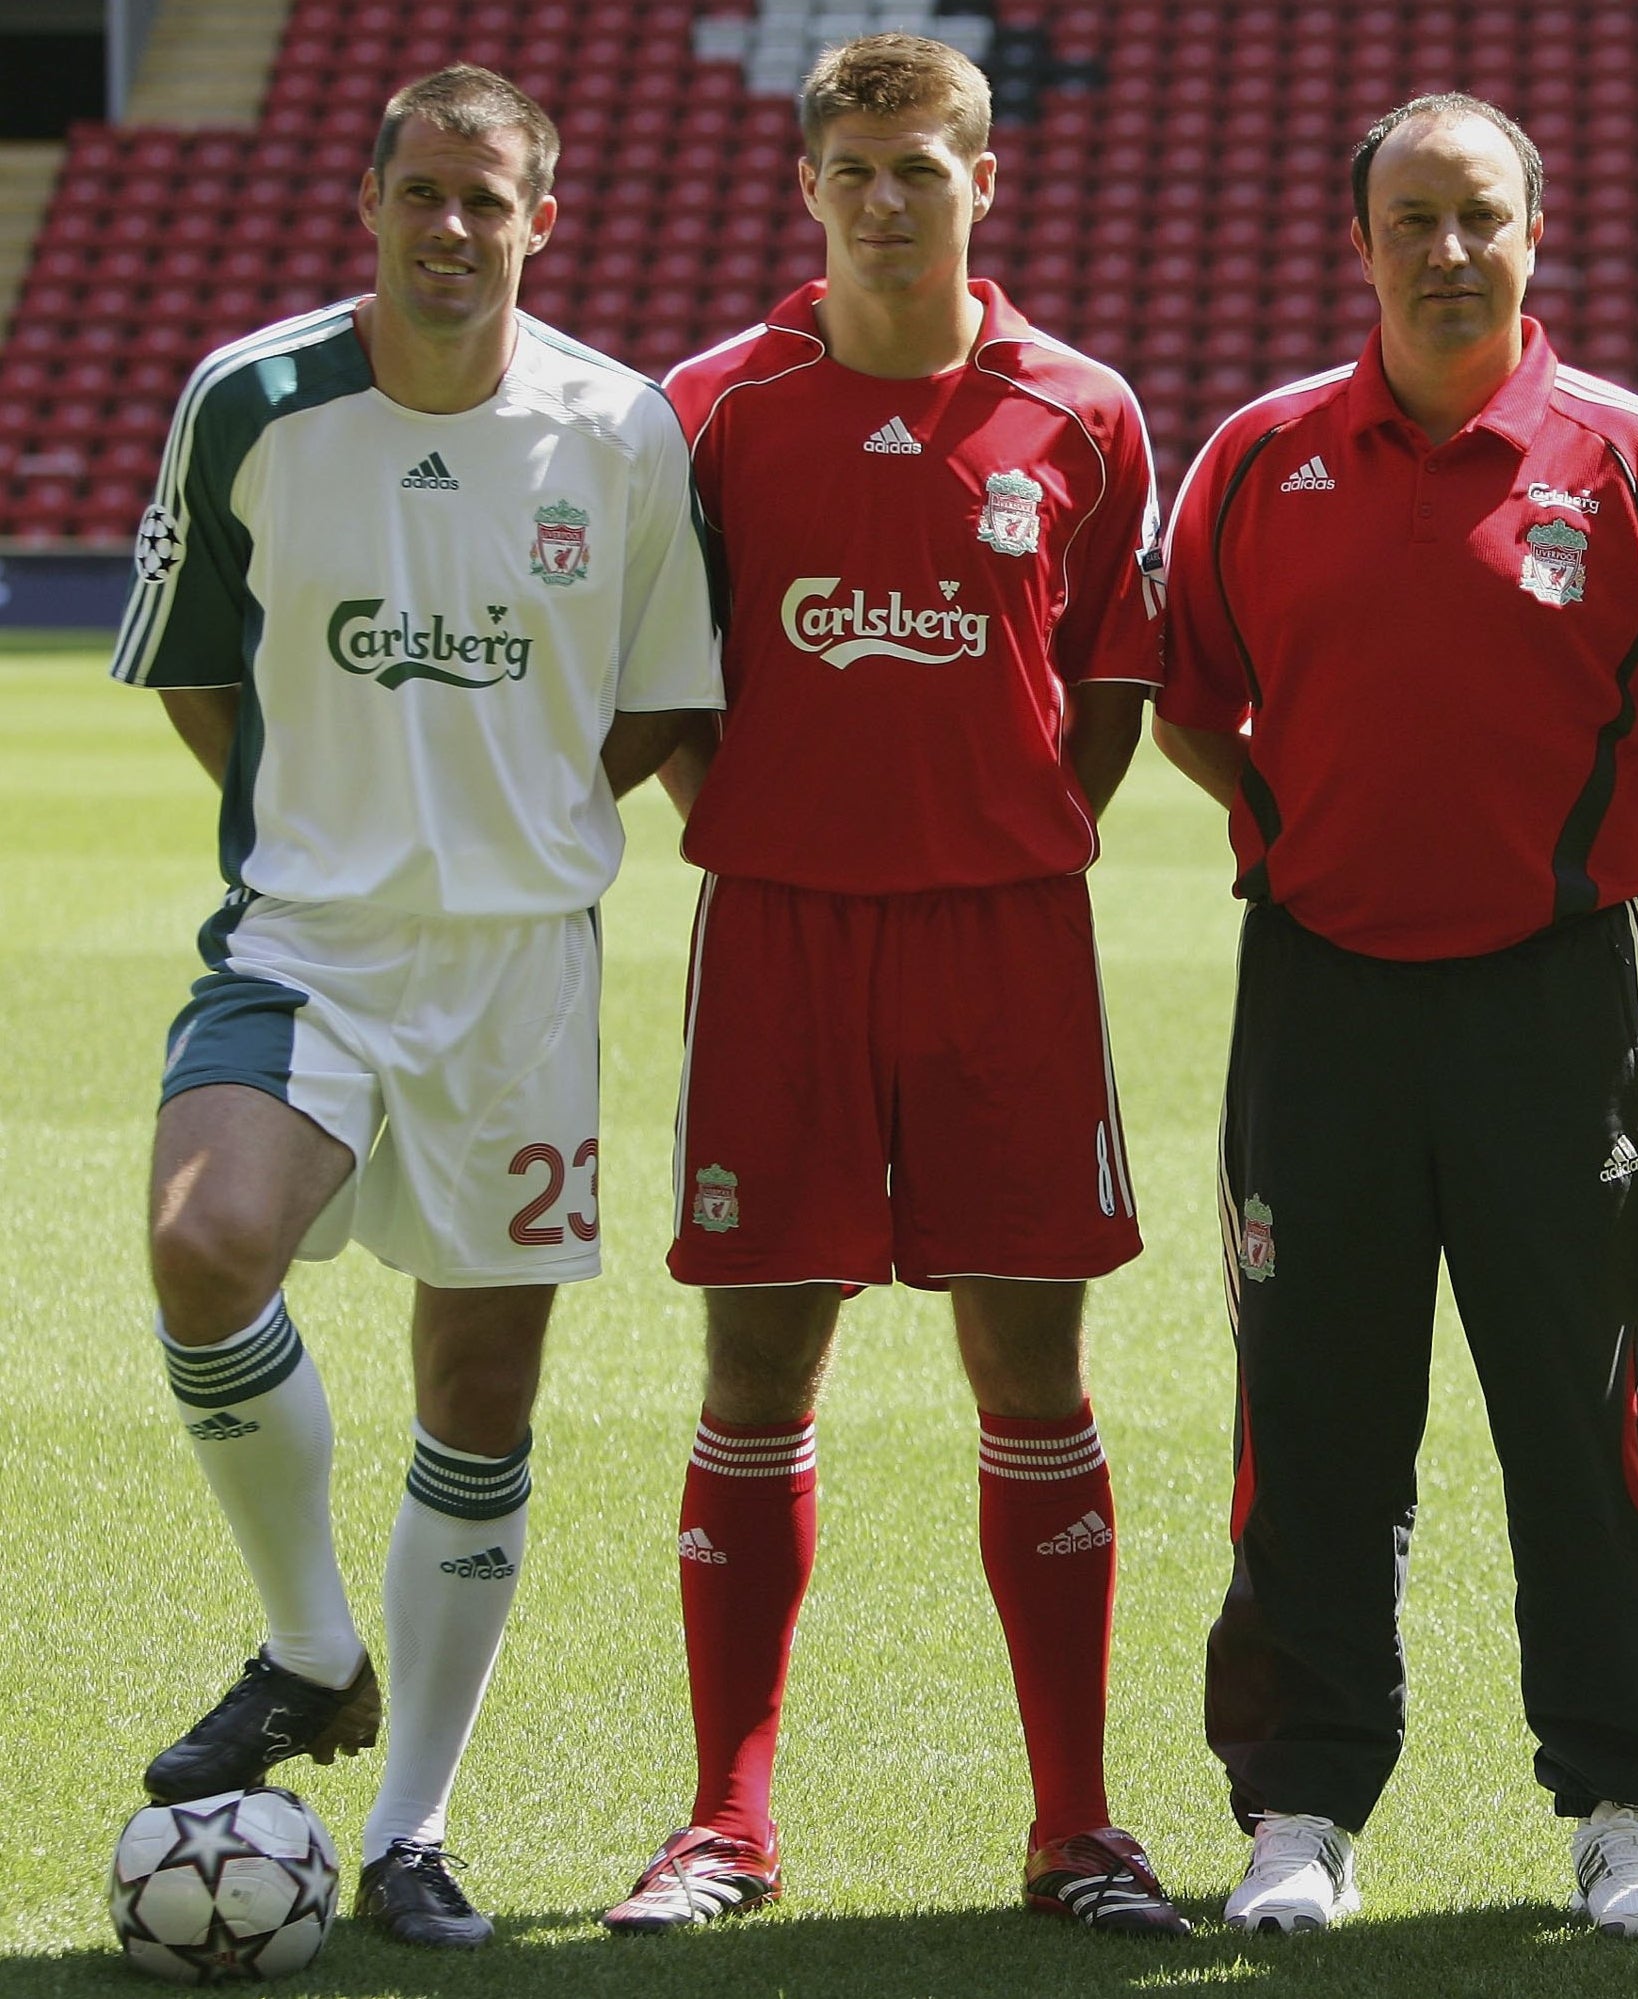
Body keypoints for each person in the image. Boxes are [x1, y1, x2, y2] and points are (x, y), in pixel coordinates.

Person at [1153, 91, 1638, 1941]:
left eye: (1479, 216)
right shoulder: (1261, 458)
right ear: (1359, 244)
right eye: (1411, 217)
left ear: (1533, 236)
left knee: (1584, 1423)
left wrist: (1592, 860)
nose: (1446, 248)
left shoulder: (1635, 459)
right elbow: (1189, 701)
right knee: (1317, 1420)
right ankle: (1302, 1811)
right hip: (1321, 1001)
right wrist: (1286, 829)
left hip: (1560, 1011)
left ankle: (1624, 1804)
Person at [117, 65, 722, 1949]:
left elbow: (657, 706)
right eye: (424, 194)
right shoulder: (255, 401)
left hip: (523, 973)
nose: (454, 228)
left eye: (490, 200)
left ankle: (405, 1836)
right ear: (367, 203)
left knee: (478, 1395)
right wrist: (341, 829)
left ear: (542, 222)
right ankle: (309, 1647)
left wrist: (517, 820)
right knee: (206, 1247)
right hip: (306, 948)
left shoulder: (618, 430)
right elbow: (200, 672)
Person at [597, 35, 1180, 1937]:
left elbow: (1105, 699)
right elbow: (674, 689)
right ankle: (725, 1824)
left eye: (919, 164)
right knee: (758, 1365)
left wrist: (1001, 829)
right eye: (850, 167)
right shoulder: (708, 411)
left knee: (1034, 1364)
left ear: (983, 182)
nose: (884, 197)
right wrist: (767, 822)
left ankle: (1077, 1826)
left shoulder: (1084, 412)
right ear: (806, 188)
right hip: (778, 936)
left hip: (1007, 945)